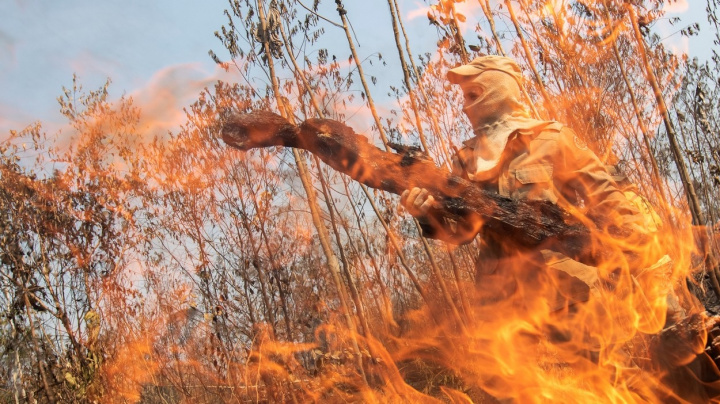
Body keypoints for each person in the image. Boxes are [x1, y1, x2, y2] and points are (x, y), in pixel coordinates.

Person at [401, 55, 660, 315]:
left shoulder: (554, 138)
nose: (464, 107)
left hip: (566, 292)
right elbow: (461, 234)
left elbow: (605, 196)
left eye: (472, 95)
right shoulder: (466, 158)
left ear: (498, 88)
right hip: (499, 304)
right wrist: (426, 214)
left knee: (590, 355)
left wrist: (638, 244)